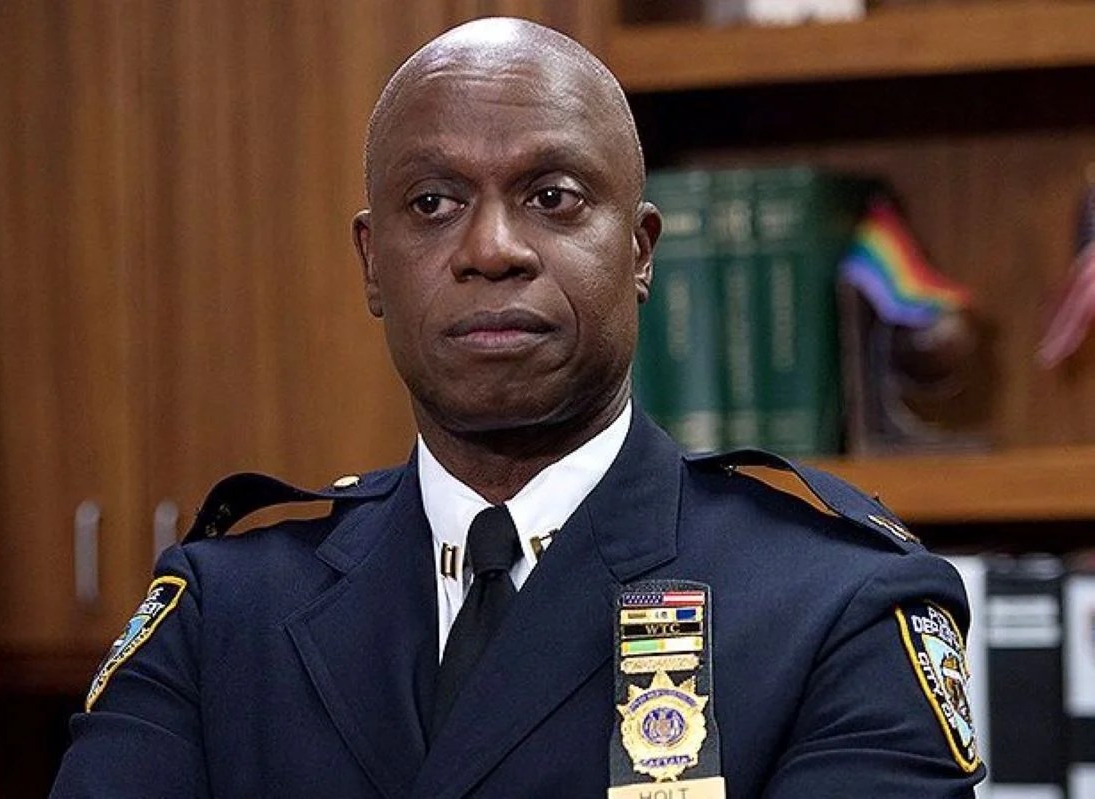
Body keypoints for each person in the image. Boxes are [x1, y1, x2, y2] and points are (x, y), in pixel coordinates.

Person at [51, 17, 985, 798]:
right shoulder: (220, 615)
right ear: (372, 264)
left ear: (640, 251)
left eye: (553, 196)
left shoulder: (836, 605)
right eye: (433, 202)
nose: (491, 248)